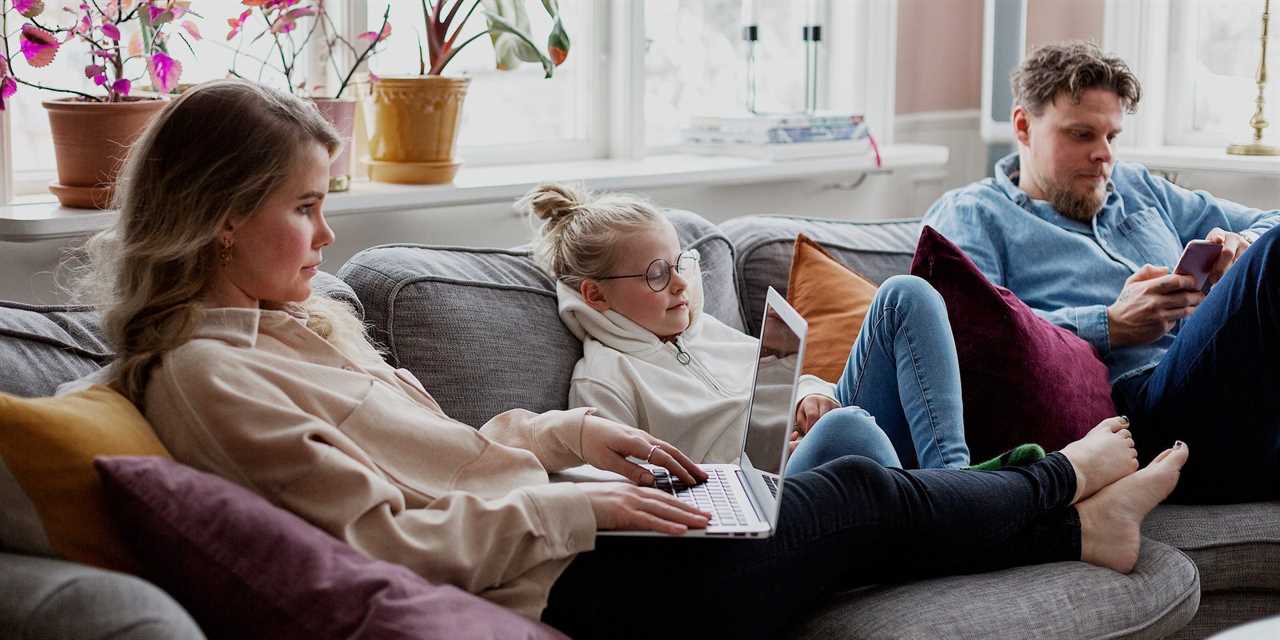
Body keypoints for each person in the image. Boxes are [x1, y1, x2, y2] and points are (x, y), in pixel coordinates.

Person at [72, 78, 1188, 639]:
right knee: (851, 485)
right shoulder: (209, 374)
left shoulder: (302, 322)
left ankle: (1076, 521)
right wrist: (585, 509)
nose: (325, 239)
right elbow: (392, 540)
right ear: (219, 218)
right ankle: (1062, 478)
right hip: (567, 584)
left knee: (847, 488)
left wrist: (565, 439)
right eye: (305, 208)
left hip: (561, 531)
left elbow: (450, 461)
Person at [922, 40, 1280, 504]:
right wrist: (1110, 324)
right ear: (1023, 125)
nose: (1103, 155)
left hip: (1232, 384)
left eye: (1111, 136)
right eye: (1081, 135)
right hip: (1144, 416)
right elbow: (972, 337)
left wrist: (1240, 245)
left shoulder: (1135, 187)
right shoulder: (973, 215)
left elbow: (1267, 219)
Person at [525, 182, 1041, 472]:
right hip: (771, 489)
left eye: (679, 263)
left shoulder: (707, 332)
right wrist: (755, 464)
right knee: (850, 428)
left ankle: (953, 479)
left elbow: (785, 388)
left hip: (823, 450)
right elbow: (629, 484)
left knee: (905, 296)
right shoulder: (603, 377)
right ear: (596, 293)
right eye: (656, 275)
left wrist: (807, 398)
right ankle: (950, 507)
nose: (680, 285)